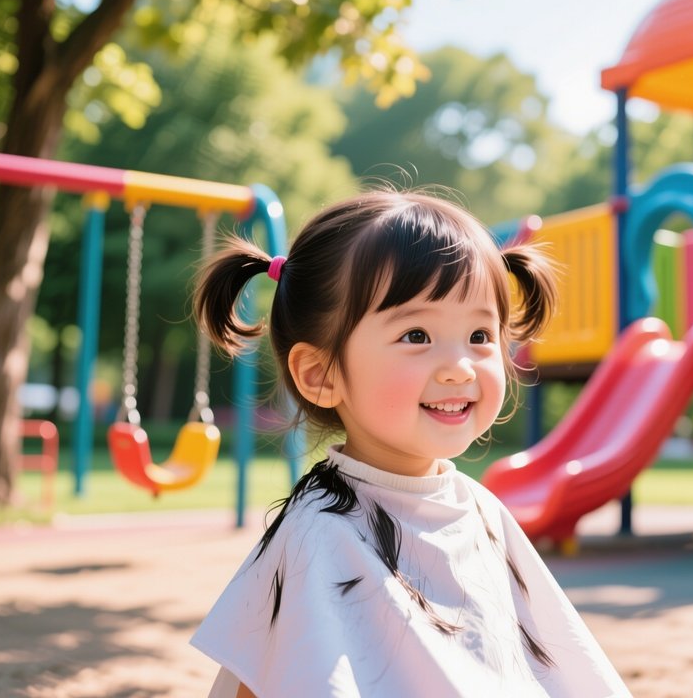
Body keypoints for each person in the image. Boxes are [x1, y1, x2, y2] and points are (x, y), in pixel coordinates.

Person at [190, 188, 631, 698]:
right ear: (320, 374)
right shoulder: (323, 533)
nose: (460, 366)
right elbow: (271, 670)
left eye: (481, 336)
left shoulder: (480, 508)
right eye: (417, 335)